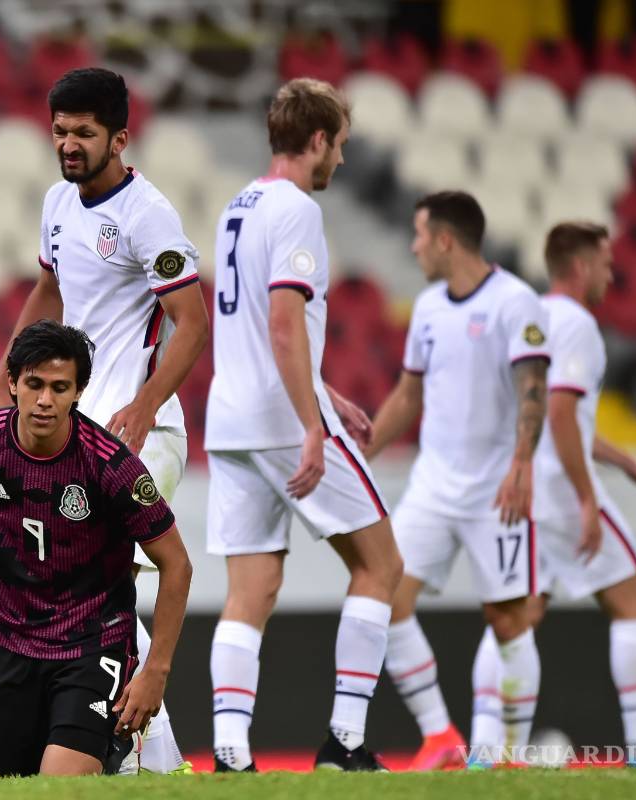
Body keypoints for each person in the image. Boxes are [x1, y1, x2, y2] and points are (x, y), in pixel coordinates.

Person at [0, 67, 209, 774]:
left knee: (93, 590)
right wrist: (7, 369)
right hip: (80, 431)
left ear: (119, 135)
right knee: (89, 596)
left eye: (83, 132)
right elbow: (50, 286)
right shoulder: (57, 202)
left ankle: (147, 758)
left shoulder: (148, 214)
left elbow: (191, 322)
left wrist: (143, 408)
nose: (69, 144)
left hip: (145, 434)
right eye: (59, 131)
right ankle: (159, 763)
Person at [204, 77, 403, 773]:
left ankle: (230, 756)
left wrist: (326, 391)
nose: (341, 162)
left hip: (229, 420)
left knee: (249, 590)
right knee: (381, 567)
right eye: (340, 146)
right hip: (282, 420)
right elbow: (284, 325)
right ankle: (345, 743)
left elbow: (258, 328)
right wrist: (314, 421)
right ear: (317, 139)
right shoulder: (297, 211)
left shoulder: (239, 204)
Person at [0, 319, 192, 777]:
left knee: (60, 787)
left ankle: (144, 763)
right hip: (8, 639)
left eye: (60, 387)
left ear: (79, 391)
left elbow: (177, 565)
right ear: (12, 383)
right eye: (34, 384)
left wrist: (155, 673)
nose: (45, 400)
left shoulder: (111, 465)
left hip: (90, 646)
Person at [467, 221, 636, 766]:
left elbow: (565, 418)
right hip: (560, 486)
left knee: (517, 615)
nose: (611, 276)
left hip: (514, 487)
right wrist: (588, 499)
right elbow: (561, 414)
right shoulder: (579, 325)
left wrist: (630, 464)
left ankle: (486, 751)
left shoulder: (529, 319)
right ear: (582, 267)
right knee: (633, 602)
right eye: (606, 265)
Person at [363, 191, 550, 769]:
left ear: (446, 239)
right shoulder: (427, 308)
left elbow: (533, 390)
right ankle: (441, 737)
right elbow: (408, 394)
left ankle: (508, 754)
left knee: (508, 618)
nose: (414, 245)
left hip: (498, 489)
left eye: (420, 235)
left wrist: (522, 464)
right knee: (388, 599)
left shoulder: (516, 303)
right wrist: (360, 452)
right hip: (433, 486)